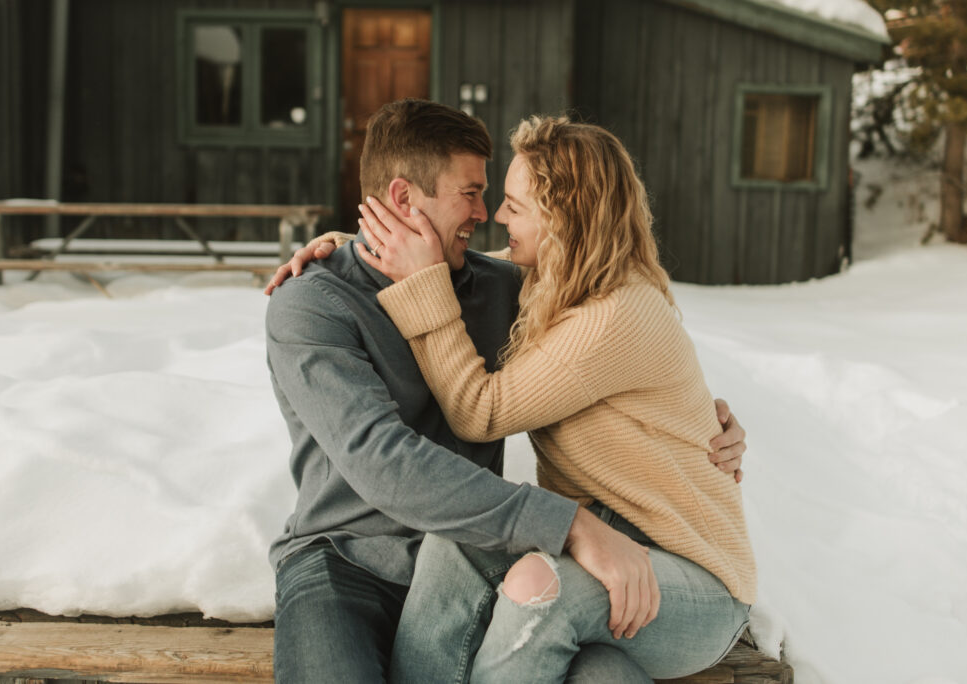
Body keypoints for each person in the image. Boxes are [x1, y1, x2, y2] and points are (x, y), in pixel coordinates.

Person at [264, 99, 747, 683]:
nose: (487, 213)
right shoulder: (312, 304)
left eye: (502, 200)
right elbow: (384, 462)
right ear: (400, 201)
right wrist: (350, 246)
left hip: (476, 550)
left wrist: (709, 422)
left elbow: (606, 330)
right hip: (348, 560)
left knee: (588, 658)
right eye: (470, 194)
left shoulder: (504, 289)